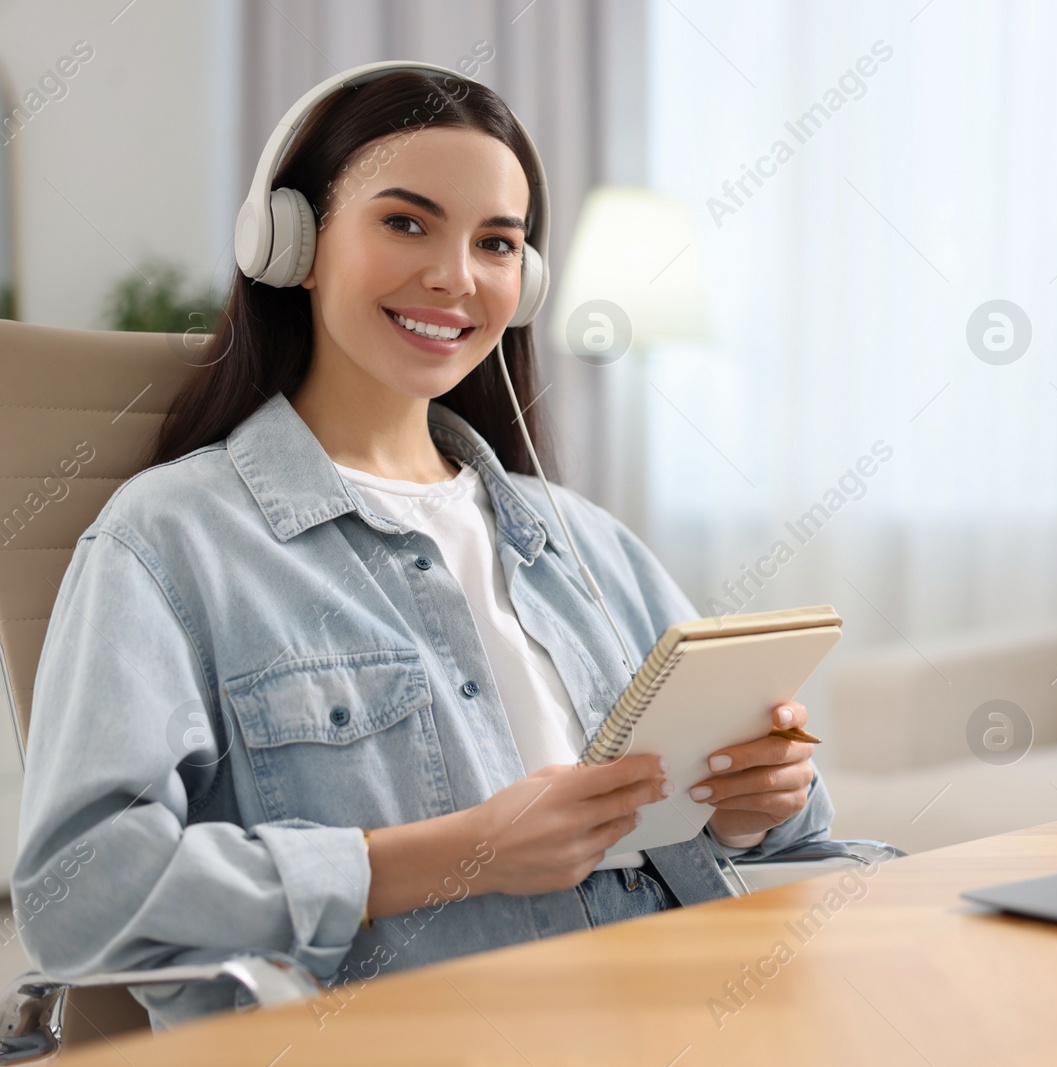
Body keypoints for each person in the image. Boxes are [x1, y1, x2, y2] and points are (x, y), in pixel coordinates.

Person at [9, 68, 833, 1029]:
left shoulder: (579, 537)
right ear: (296, 245)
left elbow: (786, 845)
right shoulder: (169, 542)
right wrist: (458, 851)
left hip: (693, 1006)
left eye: (497, 243)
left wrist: (758, 805)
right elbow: (76, 895)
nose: (455, 276)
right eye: (406, 223)